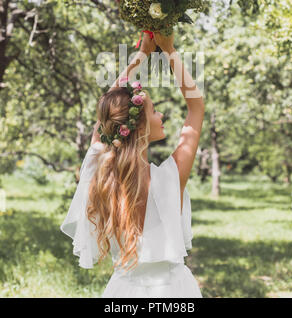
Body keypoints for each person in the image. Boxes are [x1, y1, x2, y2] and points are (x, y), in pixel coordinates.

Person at [60, 31, 205, 298]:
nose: (160, 115)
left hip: (123, 291)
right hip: (173, 291)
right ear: (139, 126)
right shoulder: (170, 178)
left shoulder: (101, 174)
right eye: (153, 111)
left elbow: (108, 114)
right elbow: (195, 107)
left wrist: (140, 56)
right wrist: (169, 50)